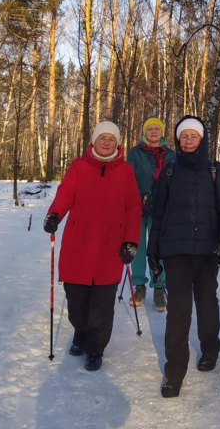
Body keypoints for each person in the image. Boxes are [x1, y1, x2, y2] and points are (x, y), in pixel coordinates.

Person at [147, 115, 220, 398]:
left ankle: (210, 349)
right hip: (176, 253)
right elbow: (157, 215)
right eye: (183, 136)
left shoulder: (215, 170)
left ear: (201, 140)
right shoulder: (169, 172)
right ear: (177, 140)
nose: (188, 140)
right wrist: (153, 251)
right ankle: (174, 372)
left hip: (208, 251)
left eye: (193, 136)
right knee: (178, 312)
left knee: (208, 303)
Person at [43, 121, 142, 371]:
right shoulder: (78, 166)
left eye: (111, 139)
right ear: (94, 141)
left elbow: (133, 207)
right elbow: (65, 194)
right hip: (80, 243)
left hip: (111, 246)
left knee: (102, 303)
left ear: (117, 143)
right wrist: (55, 214)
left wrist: (131, 240)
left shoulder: (126, 171)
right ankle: (80, 332)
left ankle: (96, 348)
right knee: (76, 301)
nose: (107, 143)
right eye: (102, 138)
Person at [126, 117, 175, 311]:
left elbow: (174, 180)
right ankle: (139, 285)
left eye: (157, 129)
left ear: (161, 132)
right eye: (150, 129)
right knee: (138, 247)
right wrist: (138, 199)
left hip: (162, 208)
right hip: (138, 207)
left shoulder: (170, 155)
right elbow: (129, 178)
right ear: (144, 132)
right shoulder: (135, 152)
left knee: (159, 248)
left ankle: (158, 286)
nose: (153, 132)